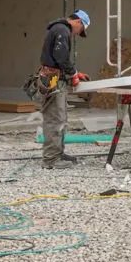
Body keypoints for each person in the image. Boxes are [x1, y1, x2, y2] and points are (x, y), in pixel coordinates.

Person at [33, 9, 89, 168]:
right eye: (81, 30)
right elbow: (61, 56)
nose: (78, 34)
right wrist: (73, 74)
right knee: (54, 119)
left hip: (55, 78)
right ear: (78, 22)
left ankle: (58, 153)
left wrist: (75, 73)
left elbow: (60, 59)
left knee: (60, 118)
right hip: (52, 81)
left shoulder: (60, 29)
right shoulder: (61, 30)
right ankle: (51, 159)